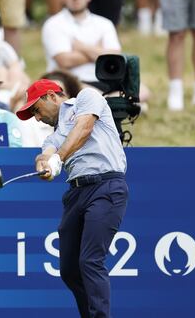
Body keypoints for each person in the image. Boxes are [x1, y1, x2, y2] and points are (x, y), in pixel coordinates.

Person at [16, 79, 127, 318]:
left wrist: (60, 157)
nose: (37, 118)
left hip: (106, 186)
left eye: (36, 110)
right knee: (69, 269)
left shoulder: (87, 98)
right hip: (76, 194)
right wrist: (44, 164)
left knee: (90, 260)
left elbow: (84, 128)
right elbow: (46, 153)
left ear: (51, 96)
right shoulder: (54, 135)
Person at [42, 0, 121, 86]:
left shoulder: (104, 23)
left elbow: (115, 59)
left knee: (141, 92)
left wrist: (82, 47)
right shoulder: (53, 24)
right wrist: (99, 52)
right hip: (71, 83)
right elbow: (65, 61)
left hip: (104, 81)